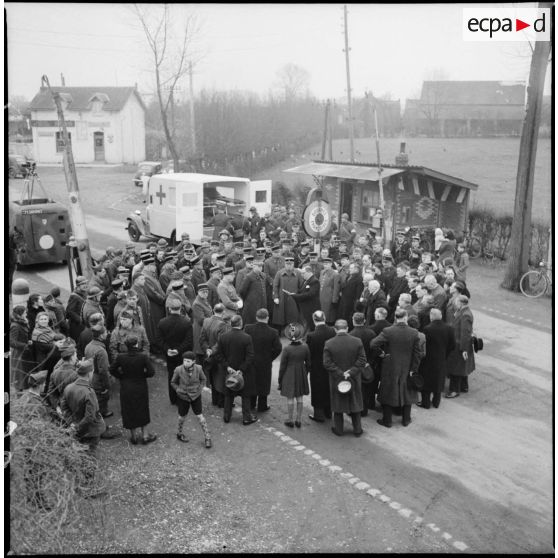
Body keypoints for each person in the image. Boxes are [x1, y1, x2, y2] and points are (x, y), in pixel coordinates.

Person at [370, 309, 422, 428]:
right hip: (407, 366)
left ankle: (387, 420)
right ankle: (406, 419)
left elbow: (373, 344)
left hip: (390, 365)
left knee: (389, 390)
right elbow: (417, 353)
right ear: (406, 317)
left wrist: (382, 353)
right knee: (407, 390)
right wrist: (414, 368)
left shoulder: (388, 331)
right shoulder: (414, 332)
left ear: (395, 317)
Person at [109, 335, 157, 445]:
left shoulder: (121, 357)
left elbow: (112, 369)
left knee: (129, 409)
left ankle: (134, 436)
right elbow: (151, 372)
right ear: (136, 344)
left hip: (126, 386)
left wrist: (121, 376)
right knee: (142, 408)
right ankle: (145, 435)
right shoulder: (143, 357)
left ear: (126, 345)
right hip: (140, 385)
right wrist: (142, 375)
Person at [323, 319, 367, 437]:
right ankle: (357, 429)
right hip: (354, 377)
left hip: (337, 378)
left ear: (335, 329)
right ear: (347, 328)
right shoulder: (357, 341)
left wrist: (340, 373)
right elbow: (362, 360)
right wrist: (350, 372)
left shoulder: (329, 343)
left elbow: (327, 363)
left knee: (338, 403)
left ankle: (339, 429)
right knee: (355, 402)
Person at [59, 360, 112, 456]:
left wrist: (72, 423)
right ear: (90, 373)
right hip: (90, 431)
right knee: (90, 454)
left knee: (79, 452)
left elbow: (64, 408)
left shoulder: (68, 388)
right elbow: (90, 416)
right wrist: (77, 427)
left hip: (75, 426)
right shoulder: (89, 392)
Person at [214, 315, 257, 425]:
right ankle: (246, 418)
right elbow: (250, 356)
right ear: (241, 323)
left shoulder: (223, 337)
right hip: (244, 372)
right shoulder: (247, 337)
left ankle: (227, 416)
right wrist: (241, 369)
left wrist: (227, 367)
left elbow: (218, 355)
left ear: (231, 324)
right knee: (245, 395)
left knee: (228, 394)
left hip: (229, 372)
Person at [156, 298, 194, 405]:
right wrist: (179, 350)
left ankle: (173, 398)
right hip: (183, 355)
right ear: (181, 308)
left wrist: (167, 349)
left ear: (169, 309)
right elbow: (189, 341)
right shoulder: (186, 322)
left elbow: (159, 340)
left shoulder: (162, 322)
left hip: (169, 355)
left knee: (172, 376)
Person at [171, 351, 212, 448]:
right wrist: (178, 390)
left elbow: (203, 380)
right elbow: (173, 382)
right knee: (182, 417)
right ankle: (179, 434)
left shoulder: (199, 368)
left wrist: (199, 390)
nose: (185, 363)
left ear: (193, 361)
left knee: (200, 417)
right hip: (183, 397)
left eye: (188, 361)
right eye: (184, 360)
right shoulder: (178, 369)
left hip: (195, 396)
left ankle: (207, 437)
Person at [244, 308, 282, 413]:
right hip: (265, 362)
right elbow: (278, 348)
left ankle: (251, 404)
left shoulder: (248, 329)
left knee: (252, 382)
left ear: (256, 317)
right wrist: (270, 358)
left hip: (251, 361)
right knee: (264, 383)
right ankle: (262, 405)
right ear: (267, 318)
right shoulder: (273, 332)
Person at [418, 308, 456, 409]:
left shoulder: (427, 329)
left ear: (431, 316)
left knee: (426, 382)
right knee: (438, 381)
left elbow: (423, 345)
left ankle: (425, 403)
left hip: (428, 360)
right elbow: (452, 345)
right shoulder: (449, 328)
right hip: (441, 359)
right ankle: (436, 402)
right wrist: (445, 354)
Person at [277, 322, 311, 428]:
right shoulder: (305, 347)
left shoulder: (287, 349)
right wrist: (305, 372)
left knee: (290, 397)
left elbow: (282, 366)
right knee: (300, 397)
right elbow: (309, 363)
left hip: (289, 374)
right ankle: (299, 419)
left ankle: (290, 419)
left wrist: (280, 380)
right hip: (301, 372)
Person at [306, 310, 336, 422]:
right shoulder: (333, 332)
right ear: (325, 318)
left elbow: (309, 354)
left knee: (318, 389)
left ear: (314, 320)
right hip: (331, 366)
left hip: (317, 367)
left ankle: (319, 415)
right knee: (329, 388)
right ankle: (329, 412)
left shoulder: (311, 335)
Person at [199, 303, 230, 408]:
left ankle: (214, 400)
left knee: (212, 377)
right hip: (218, 356)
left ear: (213, 310)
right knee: (220, 379)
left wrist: (207, 349)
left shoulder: (206, 321)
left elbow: (202, 339)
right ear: (224, 312)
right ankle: (220, 402)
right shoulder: (223, 325)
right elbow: (221, 342)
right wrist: (212, 351)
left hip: (208, 356)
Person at [446, 295, 475, 398]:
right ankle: (463, 386)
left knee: (456, 369)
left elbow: (465, 333)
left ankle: (454, 390)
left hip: (459, 346)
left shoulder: (465, 314)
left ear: (460, 303)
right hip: (460, 344)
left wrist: (464, 349)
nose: (455, 304)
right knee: (462, 367)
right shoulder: (463, 312)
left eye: (456, 302)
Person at [349, 312, 377, 416]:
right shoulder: (372, 333)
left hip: (355, 366)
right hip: (367, 366)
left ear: (353, 321)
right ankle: (364, 409)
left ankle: (355, 410)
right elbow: (375, 349)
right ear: (364, 320)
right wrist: (369, 362)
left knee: (356, 389)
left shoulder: (351, 335)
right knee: (366, 389)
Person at [84, 326, 113, 418]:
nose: (107, 334)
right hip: (98, 380)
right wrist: (107, 385)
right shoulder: (101, 351)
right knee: (102, 398)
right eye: (105, 333)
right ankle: (102, 416)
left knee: (95, 398)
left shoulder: (88, 346)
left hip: (90, 376)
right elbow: (103, 371)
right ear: (101, 336)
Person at [272, 256, 303, 332]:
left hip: (294, 299)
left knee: (293, 316)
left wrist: (300, 296)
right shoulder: (279, 273)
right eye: (287, 264)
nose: (289, 265)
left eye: (291, 264)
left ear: (293, 264)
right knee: (280, 316)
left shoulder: (298, 273)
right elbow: (275, 286)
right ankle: (280, 332)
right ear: (285, 264)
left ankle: (293, 332)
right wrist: (275, 297)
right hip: (282, 298)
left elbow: (301, 286)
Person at [288, 265, 321, 332]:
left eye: (303, 273)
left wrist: (296, 296)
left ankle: (306, 339)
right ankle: (305, 338)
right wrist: (294, 294)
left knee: (309, 325)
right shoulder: (305, 281)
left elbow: (310, 294)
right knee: (305, 324)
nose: (302, 275)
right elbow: (301, 291)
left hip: (311, 308)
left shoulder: (314, 281)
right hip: (304, 307)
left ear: (309, 272)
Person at [238, 258, 267, 325]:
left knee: (261, 319)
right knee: (252, 321)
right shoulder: (249, 277)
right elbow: (242, 291)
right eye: (258, 266)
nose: (260, 268)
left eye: (261, 266)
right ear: (253, 266)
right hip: (252, 304)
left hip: (262, 302)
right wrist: (249, 299)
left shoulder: (263, 275)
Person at [191, 283, 213, 363]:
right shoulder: (197, 304)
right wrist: (213, 321)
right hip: (200, 329)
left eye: (206, 291)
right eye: (203, 291)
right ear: (198, 292)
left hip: (206, 327)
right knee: (200, 350)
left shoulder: (204, 300)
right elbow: (201, 320)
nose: (205, 293)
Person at [65, 276, 89, 342]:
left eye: (86, 283)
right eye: (83, 284)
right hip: (76, 326)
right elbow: (69, 311)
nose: (85, 285)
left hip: (83, 324)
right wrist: (80, 319)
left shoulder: (84, 293)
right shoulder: (74, 296)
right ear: (78, 286)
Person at [319, 258, 341, 325]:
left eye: (327, 264)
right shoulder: (322, 272)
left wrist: (334, 300)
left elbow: (336, 288)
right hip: (321, 296)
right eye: (324, 264)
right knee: (322, 313)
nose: (325, 265)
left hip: (329, 297)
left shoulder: (335, 274)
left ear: (331, 264)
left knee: (329, 315)